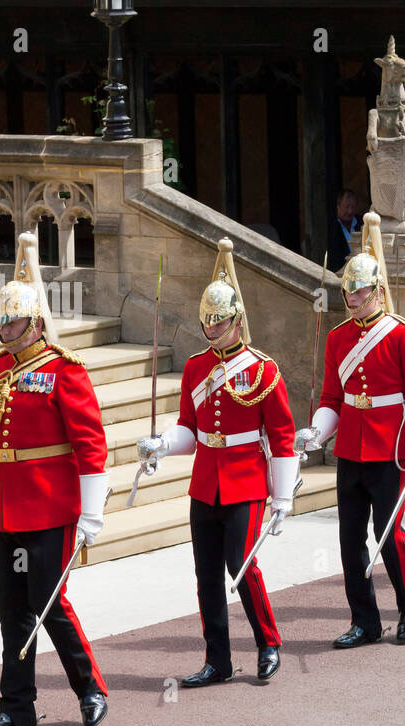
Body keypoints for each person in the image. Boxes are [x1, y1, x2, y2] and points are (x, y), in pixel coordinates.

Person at [0, 232, 110, 726]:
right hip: (8, 510)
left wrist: (92, 512)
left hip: (50, 510)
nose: (4, 329)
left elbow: (90, 447)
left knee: (51, 607)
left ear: (35, 324)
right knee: (11, 614)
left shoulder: (64, 371)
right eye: (1, 321)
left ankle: (91, 689)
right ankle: (18, 707)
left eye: (12, 321)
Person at [136, 238, 298, 686]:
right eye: (207, 322)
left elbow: (282, 435)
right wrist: (162, 445)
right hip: (205, 482)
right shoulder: (194, 368)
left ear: (237, 321)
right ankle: (218, 659)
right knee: (206, 576)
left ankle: (268, 643)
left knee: (242, 567)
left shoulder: (263, 369)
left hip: (246, 481)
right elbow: (190, 428)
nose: (212, 330)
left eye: (220, 322)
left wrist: (282, 495)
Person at [297, 213, 405, 648]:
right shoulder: (339, 338)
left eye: (359, 292)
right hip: (352, 450)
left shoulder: (402, 336)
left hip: (391, 449)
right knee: (350, 537)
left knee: (389, 533)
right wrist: (316, 433)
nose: (352, 298)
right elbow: (332, 400)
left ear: (377, 291)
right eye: (348, 291)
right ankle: (365, 620)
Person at [328, 188, 361, 272]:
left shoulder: (362, 224)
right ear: (338, 207)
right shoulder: (331, 228)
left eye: (353, 207)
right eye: (346, 207)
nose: (350, 211)